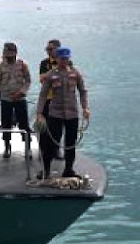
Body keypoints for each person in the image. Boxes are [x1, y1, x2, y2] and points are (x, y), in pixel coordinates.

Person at [36, 47, 90, 179]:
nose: (64, 61)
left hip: (72, 114)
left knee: (70, 143)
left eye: (66, 58)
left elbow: (83, 91)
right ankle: (46, 170)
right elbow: (43, 95)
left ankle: (68, 169)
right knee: (51, 143)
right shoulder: (51, 75)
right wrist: (39, 113)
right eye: (62, 58)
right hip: (55, 114)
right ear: (57, 59)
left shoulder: (75, 74)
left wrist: (85, 108)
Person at [0, 43, 31, 158]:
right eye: (4, 52)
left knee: (24, 123)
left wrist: (21, 92)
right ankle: (7, 146)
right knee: (6, 123)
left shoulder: (22, 65)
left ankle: (27, 147)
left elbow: (28, 81)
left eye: (8, 52)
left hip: (19, 98)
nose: (5, 54)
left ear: (14, 52)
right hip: (6, 99)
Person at [39, 39, 64, 160]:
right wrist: (54, 72)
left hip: (59, 99)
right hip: (47, 99)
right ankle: (43, 150)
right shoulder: (44, 63)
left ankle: (56, 149)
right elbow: (42, 79)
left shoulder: (66, 63)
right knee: (44, 126)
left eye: (50, 49)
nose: (48, 52)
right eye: (47, 49)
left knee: (58, 127)